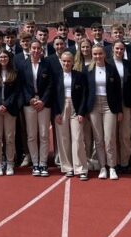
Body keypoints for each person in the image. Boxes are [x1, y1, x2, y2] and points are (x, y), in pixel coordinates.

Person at [84, 45, 122, 180]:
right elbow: (85, 91)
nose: (98, 56)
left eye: (100, 54)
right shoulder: (87, 70)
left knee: (109, 138)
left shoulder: (112, 69)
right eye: (95, 54)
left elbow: (118, 91)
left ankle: (112, 167)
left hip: (109, 106)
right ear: (92, 55)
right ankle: (102, 167)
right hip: (94, 106)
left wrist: (119, 111)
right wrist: (85, 110)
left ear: (104, 54)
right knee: (98, 139)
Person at [20, 40, 53, 177]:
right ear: (29, 48)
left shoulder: (47, 64)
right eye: (33, 48)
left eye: (38, 48)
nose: (35, 50)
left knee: (44, 134)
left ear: (41, 50)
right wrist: (30, 99)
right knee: (32, 135)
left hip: (43, 104)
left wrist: (43, 101)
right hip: (30, 104)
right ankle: (35, 163)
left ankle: (43, 163)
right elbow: (21, 85)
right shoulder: (23, 65)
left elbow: (51, 84)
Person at [53, 51, 88, 180]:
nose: (66, 63)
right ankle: (68, 167)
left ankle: (80, 168)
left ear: (73, 62)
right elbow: (54, 96)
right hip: (61, 107)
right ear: (61, 62)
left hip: (76, 108)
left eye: (69, 61)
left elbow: (84, 95)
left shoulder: (79, 76)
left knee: (77, 138)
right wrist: (56, 112)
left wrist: (81, 112)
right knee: (63, 139)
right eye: (64, 61)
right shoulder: (56, 76)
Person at [0, 50, 20, 176]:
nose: (3, 59)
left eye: (5, 56)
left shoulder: (14, 73)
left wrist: (6, 105)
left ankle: (10, 163)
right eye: (1, 57)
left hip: (9, 109)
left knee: (10, 137)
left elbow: (16, 92)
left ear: (9, 58)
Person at [111, 40, 131, 174]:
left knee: (125, 134)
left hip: (126, 102)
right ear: (113, 50)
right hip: (111, 103)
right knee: (112, 134)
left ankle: (124, 162)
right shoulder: (107, 64)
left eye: (122, 49)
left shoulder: (128, 65)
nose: (119, 51)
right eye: (117, 49)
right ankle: (113, 163)